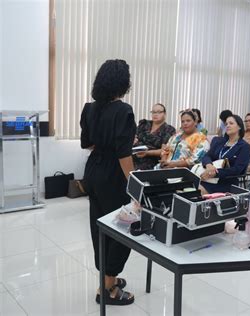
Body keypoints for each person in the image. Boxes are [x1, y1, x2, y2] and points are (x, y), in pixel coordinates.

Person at [80, 59, 135, 305]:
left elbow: (87, 143)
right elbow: (124, 155)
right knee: (125, 227)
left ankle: (105, 274)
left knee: (99, 225)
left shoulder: (89, 108)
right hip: (113, 174)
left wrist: (105, 143)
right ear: (123, 83)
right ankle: (108, 288)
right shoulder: (123, 110)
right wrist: (135, 187)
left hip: (92, 171)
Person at [199, 115, 250, 194]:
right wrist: (209, 165)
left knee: (196, 191)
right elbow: (207, 156)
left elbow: (237, 170)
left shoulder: (244, 146)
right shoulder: (220, 142)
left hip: (226, 182)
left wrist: (215, 173)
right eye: (226, 124)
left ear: (239, 127)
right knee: (188, 187)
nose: (228, 126)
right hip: (208, 176)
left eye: (231, 123)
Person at [133, 103, 176, 170]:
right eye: (153, 112)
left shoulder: (169, 130)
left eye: (159, 112)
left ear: (164, 114)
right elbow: (134, 136)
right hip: (134, 154)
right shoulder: (144, 124)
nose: (155, 114)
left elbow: (164, 150)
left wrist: (147, 153)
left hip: (151, 160)